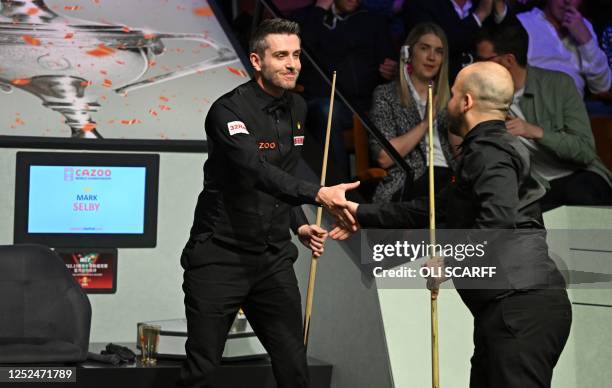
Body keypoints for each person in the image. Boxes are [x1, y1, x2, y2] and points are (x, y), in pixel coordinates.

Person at [331, 62, 572, 388]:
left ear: (467, 102)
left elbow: (497, 220)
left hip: (518, 309)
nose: (448, 102)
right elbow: (430, 211)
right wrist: (359, 212)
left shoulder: (489, 152)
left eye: (454, 93)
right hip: (510, 309)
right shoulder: (488, 149)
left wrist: (451, 260)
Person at [179, 19, 359, 388]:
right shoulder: (227, 111)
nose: (292, 63)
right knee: (202, 369)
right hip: (220, 257)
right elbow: (255, 171)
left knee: (294, 365)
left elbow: (283, 174)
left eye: (295, 55)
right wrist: (318, 193)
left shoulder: (297, 106)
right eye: (281, 56)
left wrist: (299, 224)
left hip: (272, 258)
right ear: (257, 61)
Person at [475, 24, 612, 210]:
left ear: (508, 60)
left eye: (484, 60)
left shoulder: (559, 85)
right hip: (537, 187)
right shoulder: (482, 99)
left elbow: (585, 151)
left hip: (579, 175)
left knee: (580, 194)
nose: (477, 67)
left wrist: (534, 131)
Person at [293, 0, 397, 179]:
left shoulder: (372, 20)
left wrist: (390, 69)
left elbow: (390, 60)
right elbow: (297, 58)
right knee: (328, 111)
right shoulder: (306, 18)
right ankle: (337, 184)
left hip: (366, 103)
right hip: (325, 103)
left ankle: (383, 187)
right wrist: (319, 11)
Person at [369, 22, 461, 203]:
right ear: (409, 53)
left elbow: (461, 154)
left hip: (450, 177)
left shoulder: (450, 97)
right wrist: (425, 123)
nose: (432, 57)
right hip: (409, 181)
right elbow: (384, 158)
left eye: (439, 51)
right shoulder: (386, 95)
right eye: (425, 48)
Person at [516, 0, 612, 96]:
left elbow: (601, 87)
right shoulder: (523, 23)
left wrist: (586, 41)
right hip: (534, 103)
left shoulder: (585, 27)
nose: (567, 1)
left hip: (572, 106)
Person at [403, 0, 510, 82]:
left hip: (481, 89)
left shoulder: (481, 3)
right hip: (439, 91)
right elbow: (438, 46)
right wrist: (478, 16)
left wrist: (499, 6)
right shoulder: (422, 4)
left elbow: (515, 40)